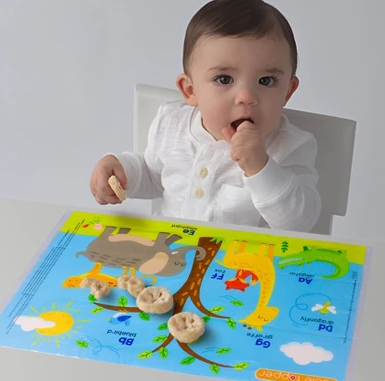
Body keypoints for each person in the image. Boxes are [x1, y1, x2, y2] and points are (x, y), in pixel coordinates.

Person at [90, 0, 321, 233]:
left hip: (241, 256)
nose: (246, 97)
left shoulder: (291, 146)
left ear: (288, 91)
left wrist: (261, 167)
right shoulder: (172, 125)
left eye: (266, 81)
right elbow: (153, 176)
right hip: (168, 247)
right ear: (191, 90)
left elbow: (300, 223)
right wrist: (121, 170)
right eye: (224, 79)